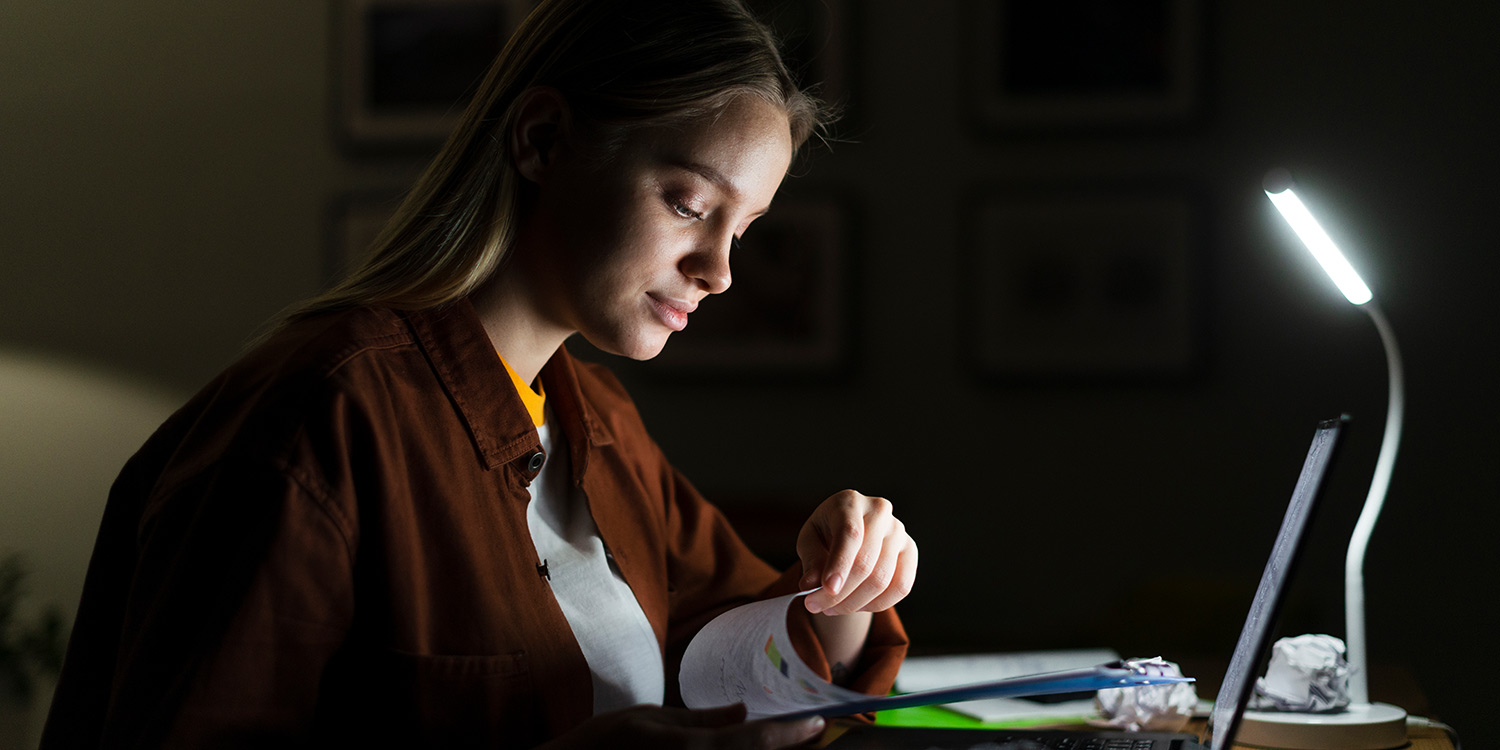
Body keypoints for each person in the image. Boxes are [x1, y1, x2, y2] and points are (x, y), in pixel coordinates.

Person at [42, 0, 917, 747]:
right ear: (541, 140)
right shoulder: (317, 424)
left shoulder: (601, 427)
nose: (719, 270)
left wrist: (847, 581)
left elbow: (758, 670)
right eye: (688, 203)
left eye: (745, 227)